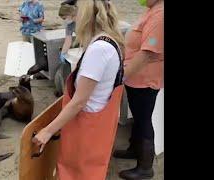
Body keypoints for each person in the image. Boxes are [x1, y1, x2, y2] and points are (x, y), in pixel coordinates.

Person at [32, 0, 124, 179]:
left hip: (87, 128)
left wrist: (48, 130)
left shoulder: (99, 49)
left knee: (78, 172)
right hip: (100, 123)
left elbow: (79, 102)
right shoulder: (110, 40)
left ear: (85, 16)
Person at [113, 0, 164, 179]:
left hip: (145, 78)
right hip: (137, 78)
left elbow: (148, 52)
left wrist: (122, 76)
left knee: (143, 120)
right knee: (138, 116)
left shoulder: (160, 14)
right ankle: (134, 149)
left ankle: (145, 168)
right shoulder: (152, 10)